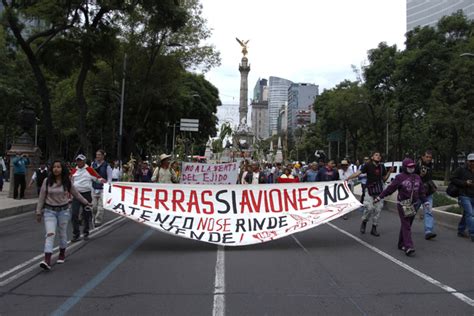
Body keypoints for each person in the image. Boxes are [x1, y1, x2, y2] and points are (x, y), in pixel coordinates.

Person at [35, 160, 92, 270]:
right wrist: (38, 212)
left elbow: (76, 194)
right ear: (51, 169)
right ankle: (47, 260)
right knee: (50, 234)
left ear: (62, 169)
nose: (56, 169)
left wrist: (86, 202)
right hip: (49, 211)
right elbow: (41, 197)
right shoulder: (47, 181)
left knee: (62, 233)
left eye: (59, 167)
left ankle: (62, 253)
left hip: (63, 211)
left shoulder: (67, 182)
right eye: (54, 167)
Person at [374, 159, 428, 256]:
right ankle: (409, 247)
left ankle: (401, 243)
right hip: (404, 204)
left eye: (413, 166)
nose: (411, 168)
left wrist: (425, 201)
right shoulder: (400, 177)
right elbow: (390, 189)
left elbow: (421, 191)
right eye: (409, 167)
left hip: (414, 204)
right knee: (406, 225)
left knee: (406, 225)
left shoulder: (417, 177)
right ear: (404, 167)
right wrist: (379, 197)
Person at [348, 151, 393, 236]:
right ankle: (364, 222)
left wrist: (389, 172)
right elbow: (358, 173)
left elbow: (384, 179)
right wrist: (348, 178)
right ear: (372, 157)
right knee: (369, 208)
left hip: (379, 190)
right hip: (369, 190)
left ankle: (374, 228)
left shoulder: (382, 166)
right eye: (376, 155)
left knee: (378, 210)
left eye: (379, 155)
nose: (378, 156)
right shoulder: (367, 165)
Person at [70, 154, 106, 242]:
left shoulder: (89, 170)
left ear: (84, 161)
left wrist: (104, 182)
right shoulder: (74, 171)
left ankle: (86, 233)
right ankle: (76, 234)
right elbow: (69, 182)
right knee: (74, 214)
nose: (79, 162)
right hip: (76, 195)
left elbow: (98, 178)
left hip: (87, 194)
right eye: (77, 160)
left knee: (86, 215)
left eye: (80, 160)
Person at [450, 153, 474, 242]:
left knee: (467, 214)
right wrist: (465, 183)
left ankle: (461, 230)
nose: (473, 163)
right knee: (471, 214)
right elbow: (452, 178)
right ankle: (473, 233)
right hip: (464, 195)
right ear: (467, 161)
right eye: (471, 161)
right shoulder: (461, 169)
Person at [414, 150, 437, 240]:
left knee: (429, 211)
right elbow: (413, 179)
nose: (428, 159)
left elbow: (429, 179)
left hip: (427, 193)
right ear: (423, 157)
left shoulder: (431, 166)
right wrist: (420, 175)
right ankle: (406, 227)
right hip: (418, 194)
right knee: (412, 211)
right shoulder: (417, 166)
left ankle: (428, 231)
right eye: (427, 157)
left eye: (430, 157)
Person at [91, 149, 112, 227]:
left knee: (100, 206)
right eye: (97, 155)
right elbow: (90, 175)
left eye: (99, 155)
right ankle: (93, 217)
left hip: (103, 189)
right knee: (94, 206)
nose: (97, 156)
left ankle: (98, 220)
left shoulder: (107, 166)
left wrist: (108, 185)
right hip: (94, 187)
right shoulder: (93, 164)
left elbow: (109, 178)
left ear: (103, 156)